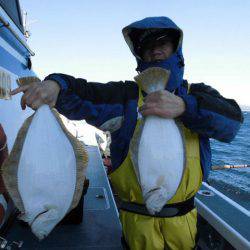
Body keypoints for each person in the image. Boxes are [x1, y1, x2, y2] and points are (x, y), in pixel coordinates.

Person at [11, 17, 243, 250]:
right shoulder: (124, 97)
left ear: (177, 48)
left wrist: (185, 106)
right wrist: (55, 84)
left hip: (185, 222)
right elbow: (82, 94)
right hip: (136, 224)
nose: (155, 50)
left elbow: (232, 123)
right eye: (146, 47)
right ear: (139, 56)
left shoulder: (198, 94)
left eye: (163, 41)